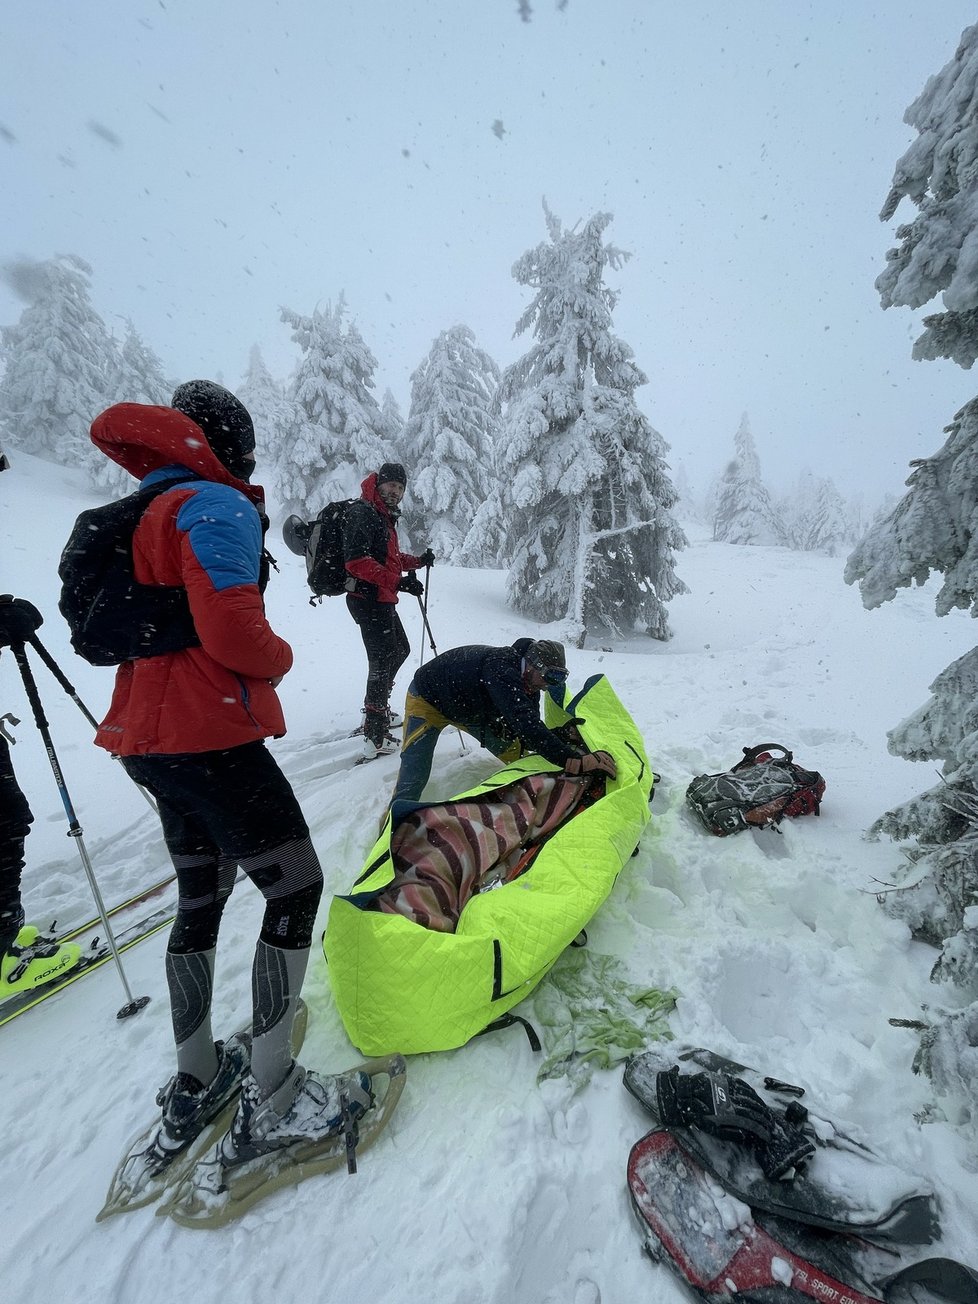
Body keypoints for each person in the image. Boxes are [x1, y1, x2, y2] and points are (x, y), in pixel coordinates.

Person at [88, 380, 371, 1170]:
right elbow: (235, 634)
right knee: (296, 884)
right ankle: (275, 1095)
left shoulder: (146, 508)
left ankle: (196, 1078)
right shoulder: (213, 506)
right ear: (225, 444)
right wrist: (280, 657)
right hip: (208, 737)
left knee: (201, 895)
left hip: (147, 743)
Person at [389, 637, 617, 806]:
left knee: (516, 752)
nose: (549, 685)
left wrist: (560, 734)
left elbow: (529, 730)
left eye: (557, 679)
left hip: (471, 710)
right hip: (429, 700)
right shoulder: (501, 669)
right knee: (414, 774)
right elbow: (526, 724)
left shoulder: (530, 683)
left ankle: (535, 804)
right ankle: (390, 834)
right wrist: (575, 761)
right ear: (532, 664)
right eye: (549, 676)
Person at [342, 462, 433, 760]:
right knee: (381, 661)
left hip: (380, 599)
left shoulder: (383, 516)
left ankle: (377, 708)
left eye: (400, 487)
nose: (395, 490)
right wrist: (399, 583)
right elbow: (357, 562)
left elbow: (389, 558)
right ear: (379, 484)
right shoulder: (363, 512)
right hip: (366, 600)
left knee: (399, 650)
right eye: (390, 484)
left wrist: (416, 562)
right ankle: (375, 732)